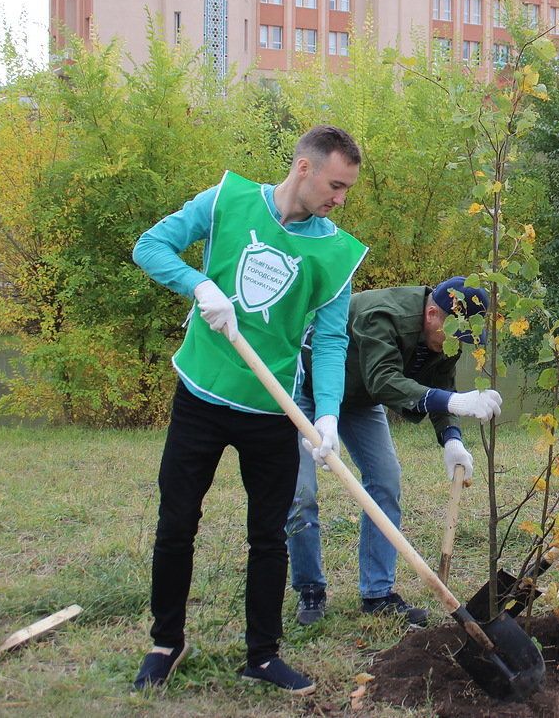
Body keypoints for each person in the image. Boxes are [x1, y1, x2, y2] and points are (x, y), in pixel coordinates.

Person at [130, 126, 367, 695]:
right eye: (335, 185)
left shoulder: (335, 254)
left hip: (273, 410)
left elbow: (331, 341)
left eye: (347, 190)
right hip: (201, 395)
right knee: (177, 522)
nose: (340, 199)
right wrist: (197, 285)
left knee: (269, 535)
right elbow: (150, 247)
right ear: (304, 168)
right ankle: (167, 641)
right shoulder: (227, 200)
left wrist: (327, 415)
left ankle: (261, 655)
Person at [287, 277, 501, 626]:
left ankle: (377, 594)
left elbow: (441, 382)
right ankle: (310, 590)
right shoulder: (381, 313)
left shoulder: (443, 337)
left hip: (358, 399)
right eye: (457, 335)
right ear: (433, 313)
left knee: (386, 480)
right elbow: (383, 380)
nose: (458, 346)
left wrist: (451, 438)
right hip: (306, 390)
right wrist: (455, 402)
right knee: (302, 493)